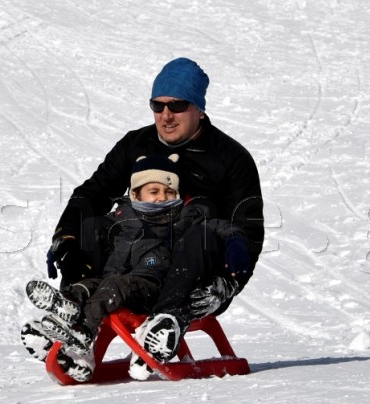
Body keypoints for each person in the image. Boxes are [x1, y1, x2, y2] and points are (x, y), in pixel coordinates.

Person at [46, 57, 264, 365]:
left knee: (202, 234)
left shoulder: (231, 159)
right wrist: (65, 238)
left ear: (199, 109)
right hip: (135, 267)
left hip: (194, 277)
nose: (166, 116)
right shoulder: (137, 143)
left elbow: (249, 230)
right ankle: (73, 322)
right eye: (157, 106)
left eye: (177, 106)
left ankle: (167, 320)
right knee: (94, 227)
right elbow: (91, 194)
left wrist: (228, 284)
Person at [23, 154, 246, 382]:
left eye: (169, 192)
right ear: (136, 194)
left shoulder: (182, 216)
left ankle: (83, 332)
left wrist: (235, 240)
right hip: (117, 283)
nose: (162, 198)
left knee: (113, 286)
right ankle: (67, 307)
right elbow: (88, 229)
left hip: (150, 287)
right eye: (154, 191)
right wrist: (66, 244)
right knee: (91, 284)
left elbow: (219, 226)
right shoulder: (120, 217)